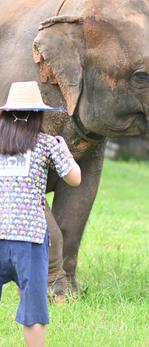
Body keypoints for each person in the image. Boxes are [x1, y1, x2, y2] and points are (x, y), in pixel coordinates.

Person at [0, 81, 81, 347]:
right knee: (33, 314)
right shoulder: (47, 144)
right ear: (38, 114)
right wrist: (64, 148)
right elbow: (75, 179)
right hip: (30, 240)